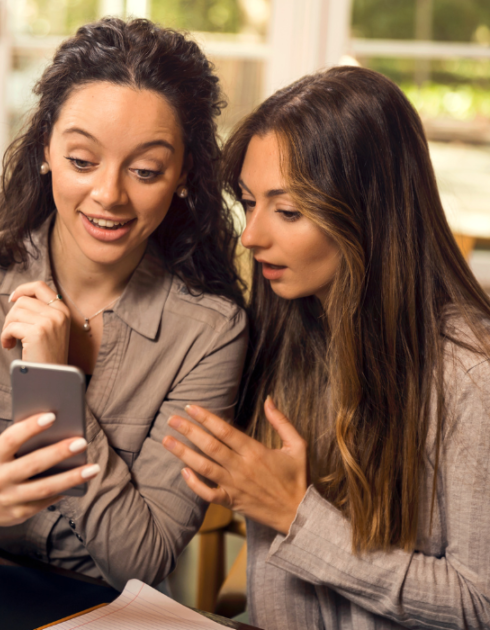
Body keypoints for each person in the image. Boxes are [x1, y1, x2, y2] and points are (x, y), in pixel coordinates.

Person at [0, 17, 247, 589]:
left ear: (183, 175)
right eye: (83, 161)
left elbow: (145, 559)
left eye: (145, 170)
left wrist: (59, 387)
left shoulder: (210, 332)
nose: (108, 194)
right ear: (45, 151)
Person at [164, 65, 490, 628]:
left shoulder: (471, 379)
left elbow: (478, 602)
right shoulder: (284, 333)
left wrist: (296, 517)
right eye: (248, 203)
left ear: (371, 214)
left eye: (288, 211)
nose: (253, 235)